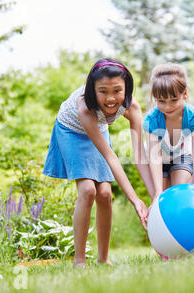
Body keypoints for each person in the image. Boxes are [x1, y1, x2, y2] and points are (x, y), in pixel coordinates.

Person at [43, 58, 154, 267]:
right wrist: (134, 199)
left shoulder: (131, 107)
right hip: (71, 130)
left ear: (126, 89)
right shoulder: (85, 107)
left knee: (104, 193)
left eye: (117, 91)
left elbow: (140, 154)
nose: (110, 98)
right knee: (88, 190)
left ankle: (103, 259)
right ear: (92, 90)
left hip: (98, 129)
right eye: (103, 91)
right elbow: (111, 156)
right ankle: (79, 260)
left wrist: (152, 196)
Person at [143, 63, 194, 199]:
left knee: (180, 192)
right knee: (163, 197)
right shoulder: (152, 120)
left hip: (181, 156)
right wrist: (158, 192)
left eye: (174, 100)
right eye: (161, 101)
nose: (168, 106)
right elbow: (155, 157)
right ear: (155, 98)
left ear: (185, 94)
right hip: (157, 160)